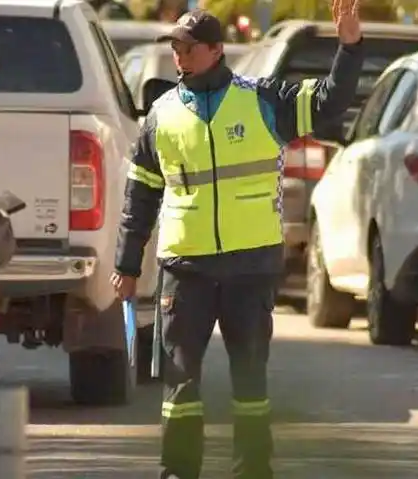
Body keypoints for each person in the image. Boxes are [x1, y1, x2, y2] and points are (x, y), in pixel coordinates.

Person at [110, 2, 364, 478]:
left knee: (250, 383)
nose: (179, 56)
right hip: (186, 270)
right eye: (175, 47)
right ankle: (178, 472)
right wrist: (126, 267)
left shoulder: (263, 100)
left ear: (216, 50)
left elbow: (330, 102)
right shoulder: (160, 117)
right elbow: (139, 197)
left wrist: (349, 48)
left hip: (250, 269)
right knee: (180, 384)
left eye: (189, 47)